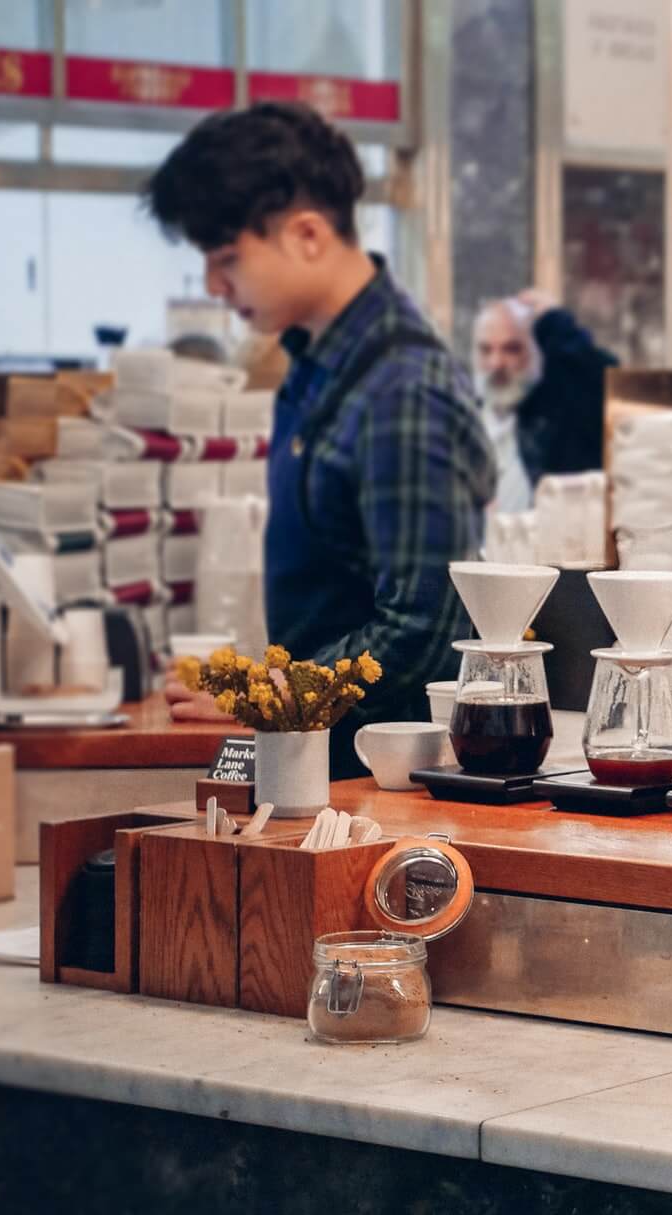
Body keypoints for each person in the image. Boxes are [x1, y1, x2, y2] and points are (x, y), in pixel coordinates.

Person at [144, 101, 495, 775]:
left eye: (227, 259)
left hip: (377, 788)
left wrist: (269, 694)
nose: (215, 286)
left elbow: (424, 631)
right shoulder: (313, 365)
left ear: (307, 234)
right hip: (312, 763)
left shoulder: (401, 389)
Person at [471, 290, 618, 513]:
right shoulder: (463, 417)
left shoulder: (561, 416)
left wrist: (557, 325)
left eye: (512, 349)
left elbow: (604, 382)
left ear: (534, 353)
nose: (496, 363)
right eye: (486, 350)